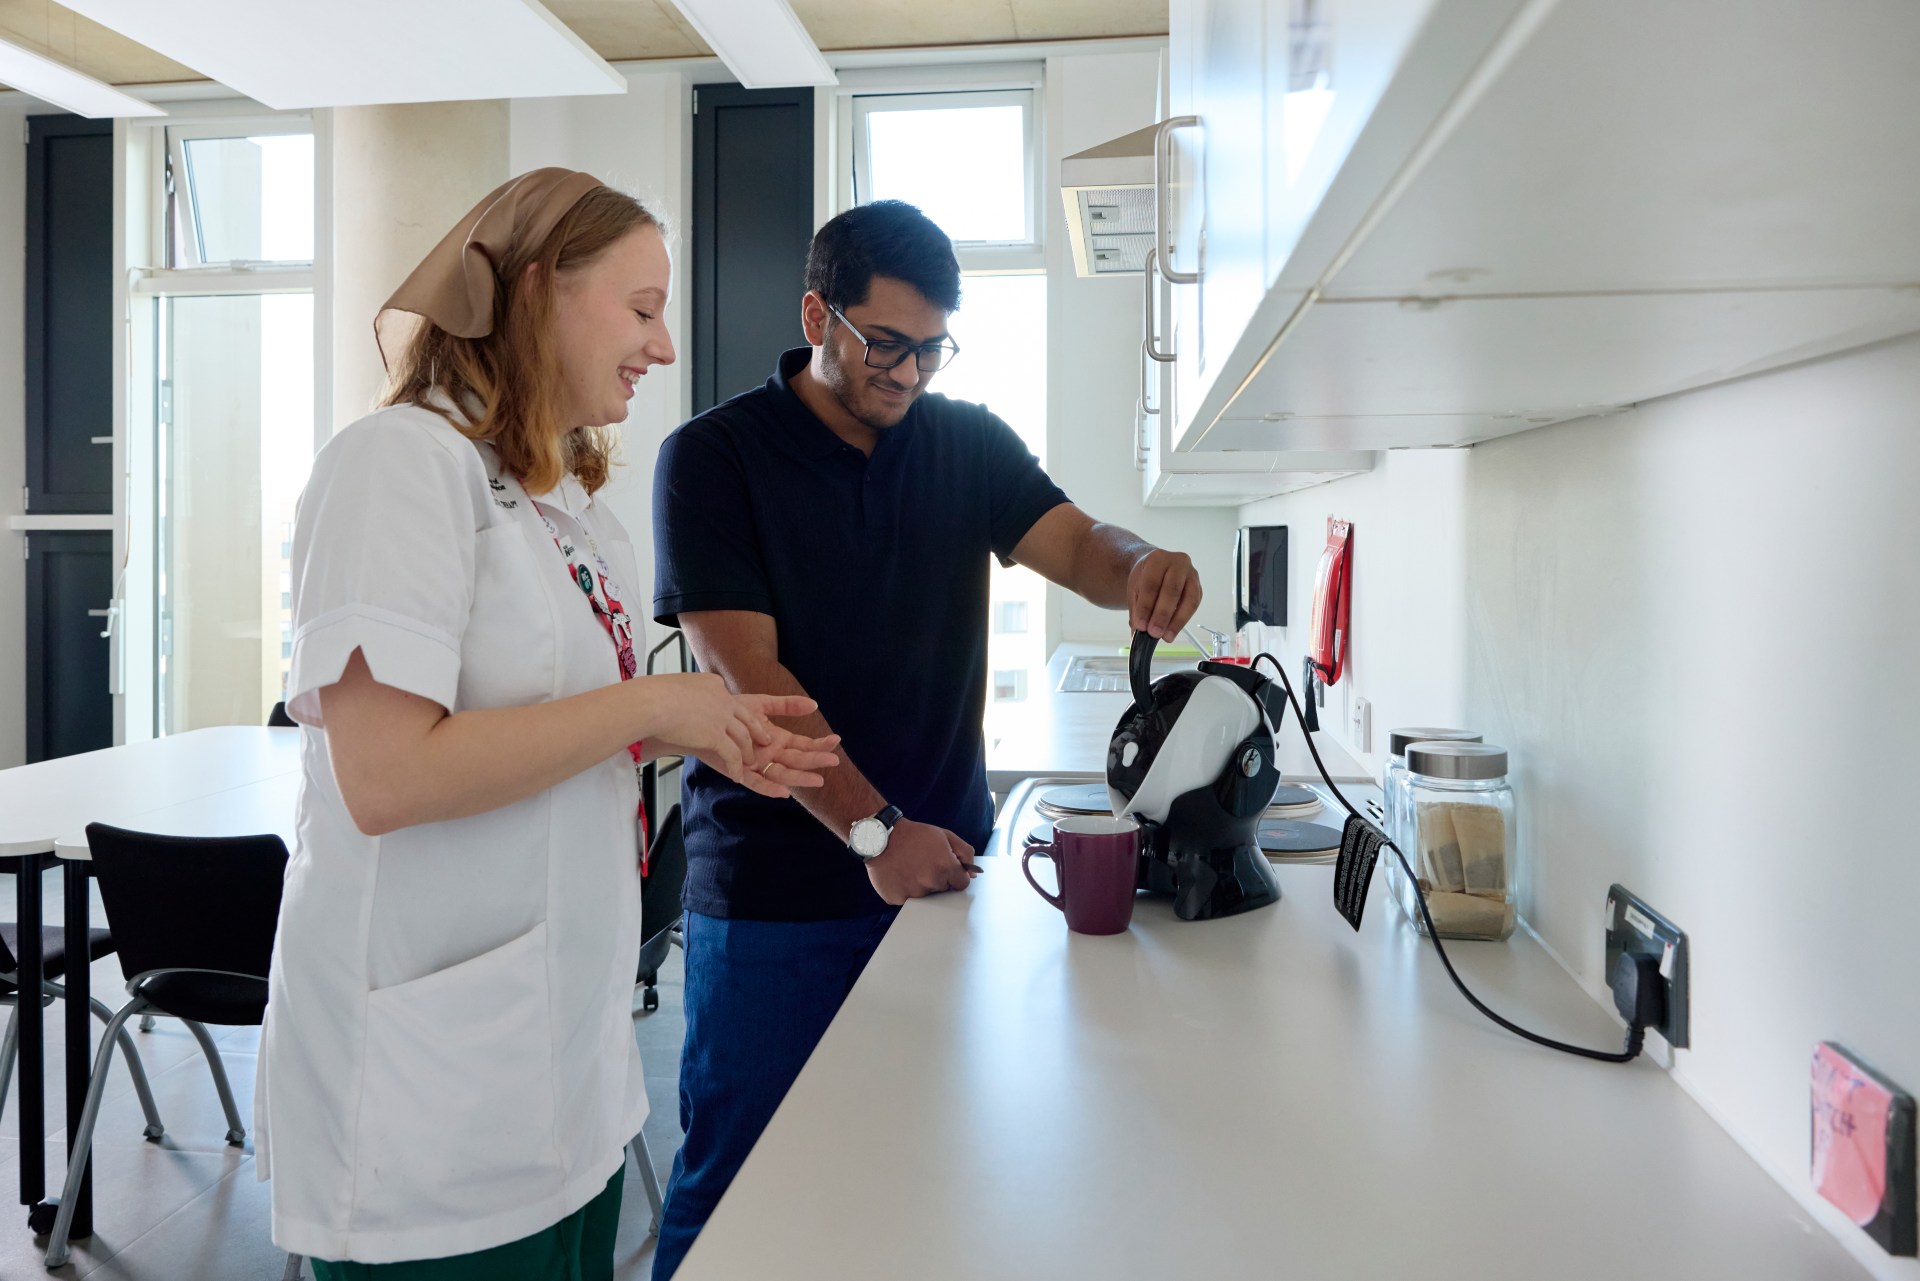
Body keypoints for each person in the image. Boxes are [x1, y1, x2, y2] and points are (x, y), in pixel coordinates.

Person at [258, 168, 840, 1280]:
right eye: (641, 307)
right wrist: (652, 703)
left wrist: (695, 727)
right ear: (536, 293)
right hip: (429, 1108)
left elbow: (549, 721)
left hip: (563, 1080)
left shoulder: (564, 510)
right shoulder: (396, 466)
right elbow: (384, 778)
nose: (663, 347)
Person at [648, 199, 1205, 1276]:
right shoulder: (713, 459)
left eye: (932, 349)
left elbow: (1082, 543)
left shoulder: (967, 444)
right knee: (741, 1190)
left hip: (942, 886)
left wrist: (1138, 565)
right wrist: (873, 831)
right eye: (886, 344)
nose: (908, 374)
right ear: (819, 312)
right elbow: (753, 680)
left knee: (922, 1177)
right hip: (775, 904)